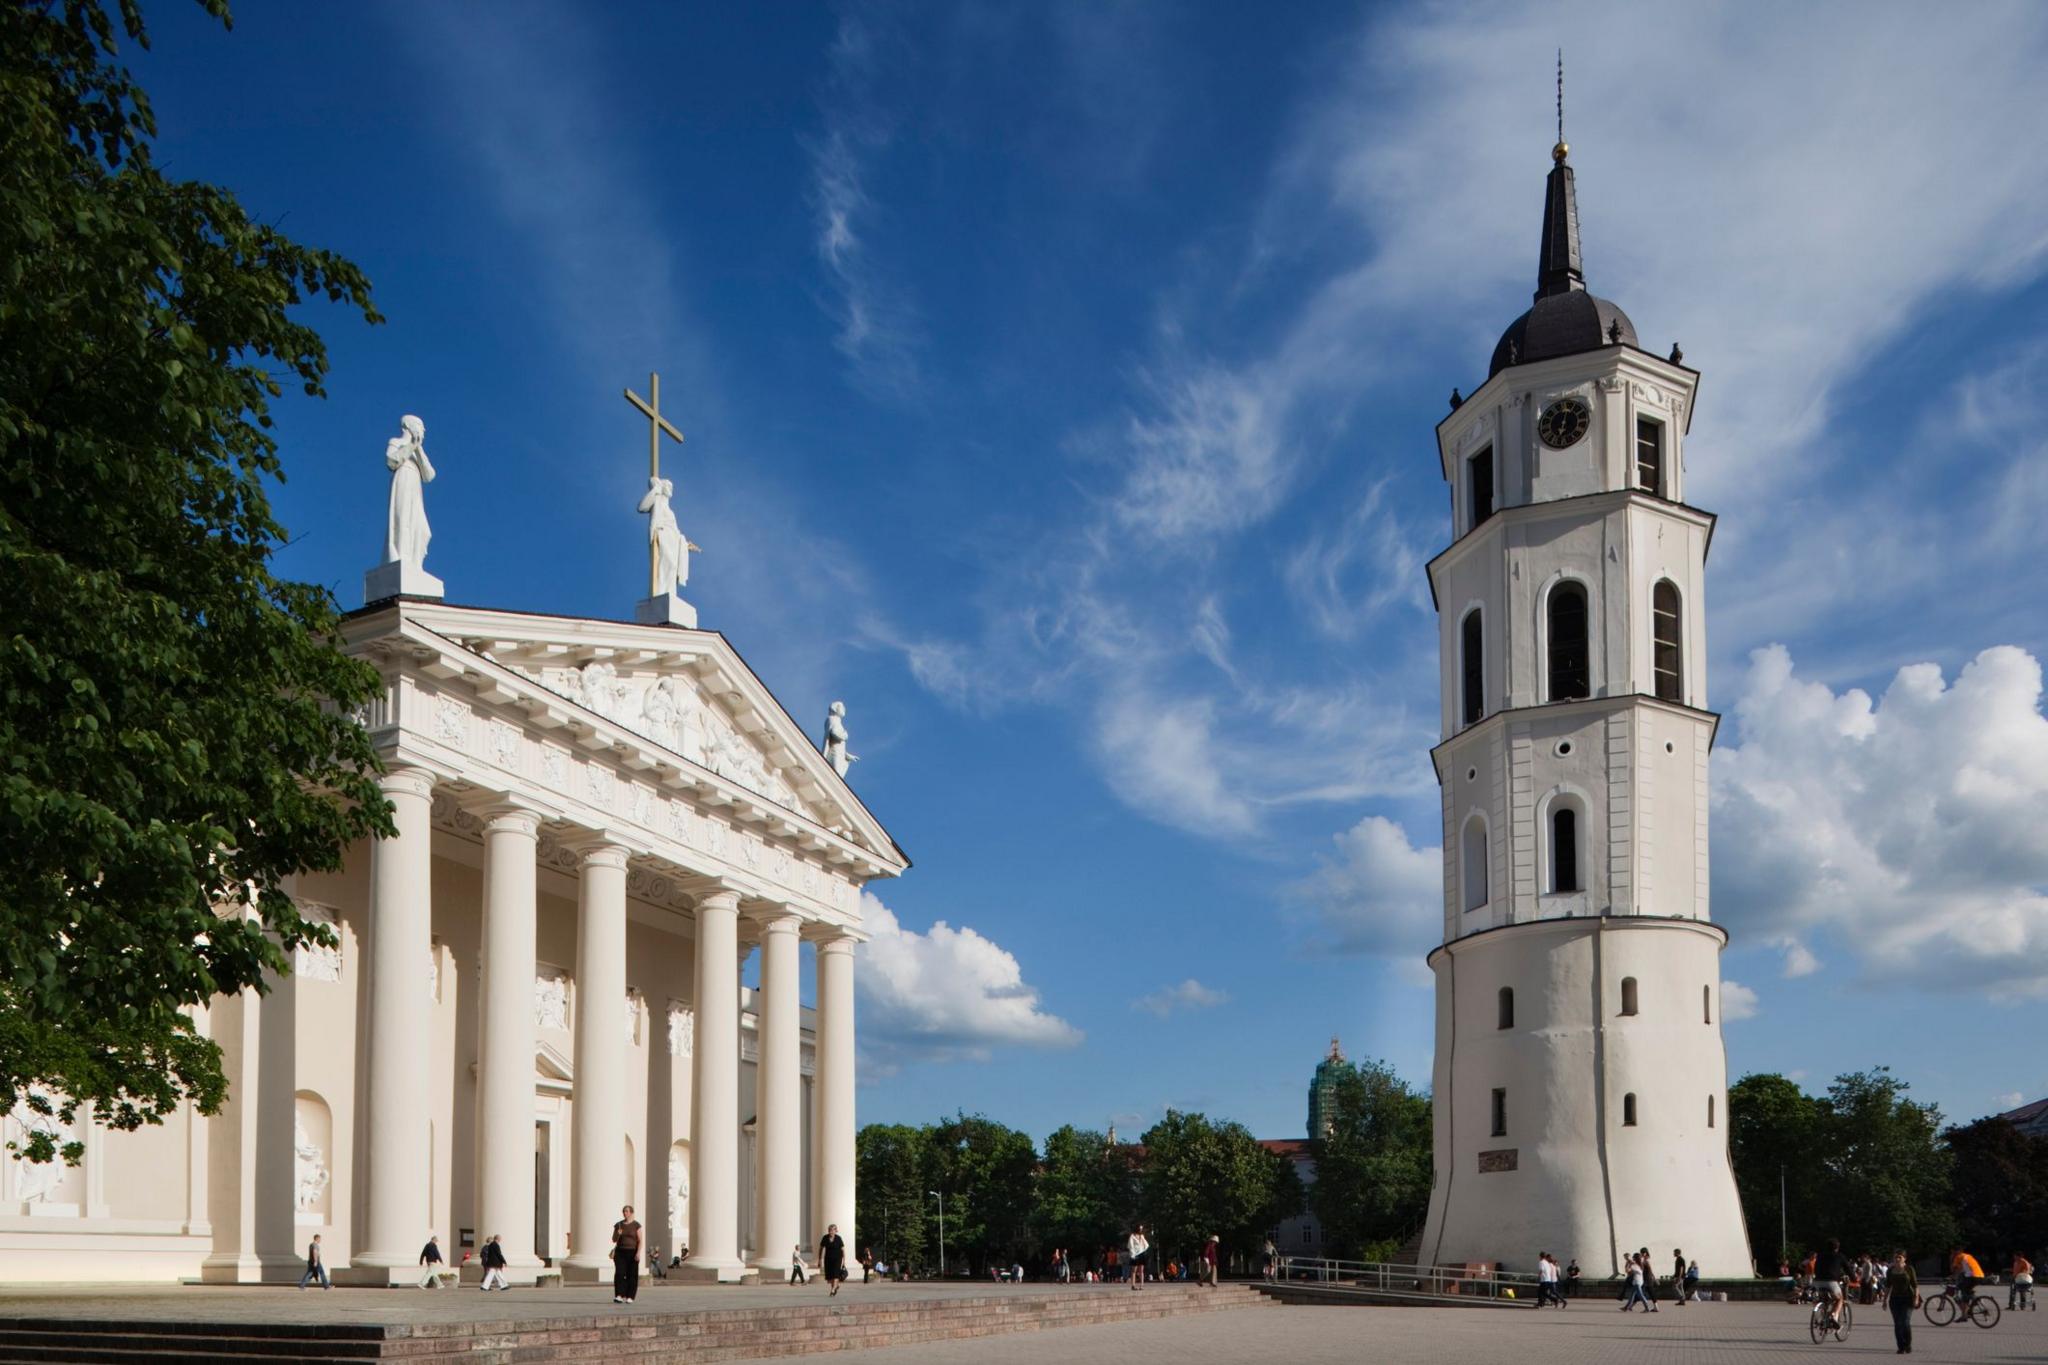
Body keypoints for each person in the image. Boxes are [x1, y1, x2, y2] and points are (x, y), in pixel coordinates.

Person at [1885, 1249, 1918, 1355]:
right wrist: (1885, 1300)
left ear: (1905, 1258)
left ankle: (1908, 1344)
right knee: (1897, 1324)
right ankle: (1900, 1347)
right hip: (1894, 1300)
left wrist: (1916, 1298)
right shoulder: (1890, 1270)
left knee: (1905, 1322)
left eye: (1900, 1257)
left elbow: (1915, 1285)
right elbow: (1888, 1286)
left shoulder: (1909, 1269)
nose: (1897, 1259)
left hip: (1908, 1299)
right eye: (1896, 1257)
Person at [1813, 1238, 1851, 1327]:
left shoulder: (1820, 1255)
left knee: (1822, 1298)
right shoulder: (1840, 1256)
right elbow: (1848, 1269)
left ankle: (1821, 1316)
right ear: (1837, 1247)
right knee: (1839, 1299)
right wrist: (1855, 1279)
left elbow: (1816, 1268)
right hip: (1831, 1282)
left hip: (1817, 1281)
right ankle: (1834, 1316)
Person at [611, 1204, 642, 1304]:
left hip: (632, 1252)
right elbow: (614, 1239)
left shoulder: (636, 1225)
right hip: (620, 1252)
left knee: (632, 1275)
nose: (625, 1213)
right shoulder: (619, 1225)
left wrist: (638, 1253)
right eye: (624, 1211)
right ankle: (619, 1295)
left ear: (631, 1213)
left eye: (627, 1211)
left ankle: (630, 1296)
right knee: (619, 1273)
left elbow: (640, 1240)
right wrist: (617, 1234)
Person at [819, 1222, 848, 1297]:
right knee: (830, 1277)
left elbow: (843, 1250)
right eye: (829, 1230)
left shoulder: (838, 1238)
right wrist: (820, 1259)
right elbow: (821, 1249)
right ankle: (835, 1286)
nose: (831, 1231)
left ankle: (832, 1290)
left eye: (832, 1230)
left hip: (837, 1259)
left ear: (836, 1231)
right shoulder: (825, 1238)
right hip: (828, 1259)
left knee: (835, 1275)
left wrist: (844, 1261)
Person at [1127, 1224, 1150, 1291]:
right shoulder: (1132, 1236)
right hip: (1135, 1254)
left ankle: (1141, 1285)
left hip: (1142, 1254)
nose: (1141, 1230)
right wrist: (1132, 1255)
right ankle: (1133, 1285)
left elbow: (1145, 1244)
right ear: (1137, 1229)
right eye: (1140, 1228)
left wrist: (1144, 1249)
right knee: (1134, 1270)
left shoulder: (1142, 1236)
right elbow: (1131, 1246)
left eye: (1141, 1229)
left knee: (1141, 1271)